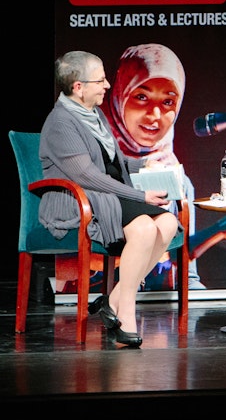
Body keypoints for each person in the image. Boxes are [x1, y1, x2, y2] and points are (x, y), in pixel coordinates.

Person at [39, 50, 182, 348]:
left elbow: (111, 164)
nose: (107, 85)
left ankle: (113, 299)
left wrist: (146, 166)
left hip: (107, 192)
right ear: (78, 87)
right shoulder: (60, 122)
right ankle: (125, 311)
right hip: (77, 199)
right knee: (143, 227)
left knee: (168, 222)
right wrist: (140, 194)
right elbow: (87, 176)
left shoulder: (95, 114)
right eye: (100, 80)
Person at [100, 42, 205, 290]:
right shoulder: (97, 132)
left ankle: (186, 277)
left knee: (182, 185)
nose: (155, 115)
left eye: (168, 102)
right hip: (100, 232)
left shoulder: (165, 156)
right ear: (120, 93)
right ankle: (126, 283)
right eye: (141, 97)